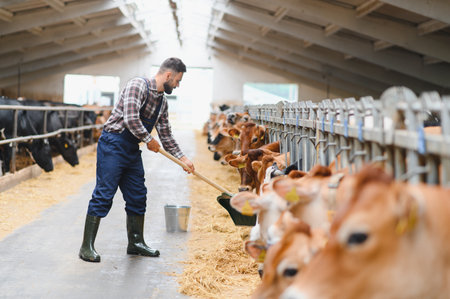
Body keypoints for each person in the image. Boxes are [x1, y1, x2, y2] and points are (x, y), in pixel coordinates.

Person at [79, 57, 195, 262]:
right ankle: (86, 246)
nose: (177, 85)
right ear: (168, 75)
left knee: (138, 195)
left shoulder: (162, 102)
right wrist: (149, 140)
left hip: (131, 149)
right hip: (113, 144)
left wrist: (184, 158)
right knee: (104, 194)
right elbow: (131, 118)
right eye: (177, 80)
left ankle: (136, 242)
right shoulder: (137, 85)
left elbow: (166, 135)